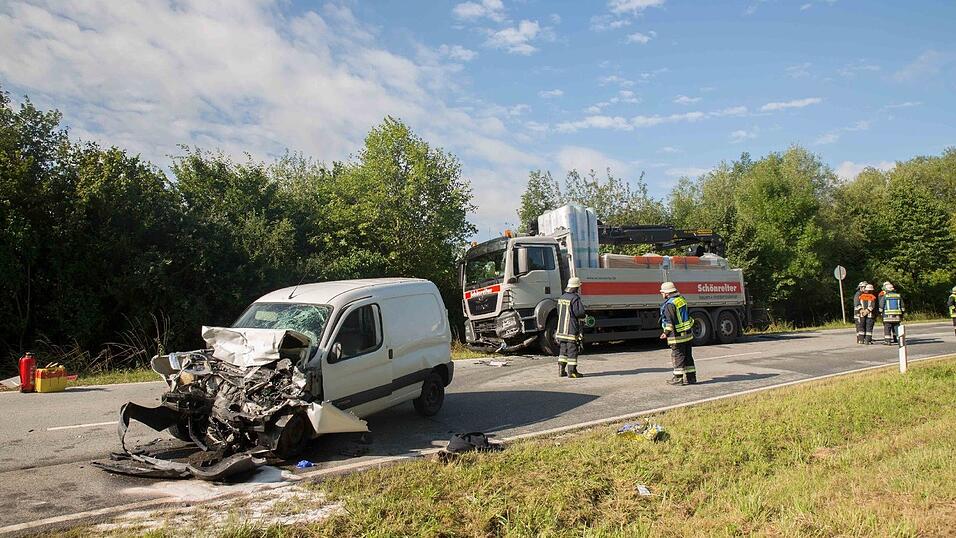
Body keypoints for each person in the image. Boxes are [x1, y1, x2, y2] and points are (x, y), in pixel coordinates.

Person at [659, 281, 696, 385]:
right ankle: (691, 378)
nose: (661, 294)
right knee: (688, 356)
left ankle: (678, 378)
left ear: (667, 293)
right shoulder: (681, 300)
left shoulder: (669, 305)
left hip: (676, 336)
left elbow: (669, 322)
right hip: (687, 334)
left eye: (662, 292)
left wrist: (665, 333)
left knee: (678, 356)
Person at [555, 277, 586, 378]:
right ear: (576, 287)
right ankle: (572, 372)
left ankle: (561, 370)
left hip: (561, 329)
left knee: (563, 350)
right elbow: (580, 313)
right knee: (572, 350)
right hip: (571, 329)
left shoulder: (561, 297)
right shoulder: (575, 298)